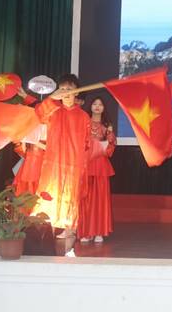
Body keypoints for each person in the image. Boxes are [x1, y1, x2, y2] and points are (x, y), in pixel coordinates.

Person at [32, 74, 90, 239]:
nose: (65, 92)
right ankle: (46, 229)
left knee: (69, 195)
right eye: (62, 88)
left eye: (69, 89)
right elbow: (38, 114)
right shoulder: (53, 111)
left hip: (73, 163)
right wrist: (51, 98)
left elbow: (87, 144)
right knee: (49, 192)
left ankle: (69, 229)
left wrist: (83, 164)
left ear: (77, 92)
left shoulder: (84, 117)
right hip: (53, 161)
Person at [78, 96, 116, 243]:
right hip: (86, 164)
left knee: (100, 199)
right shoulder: (84, 123)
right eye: (95, 104)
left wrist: (109, 136)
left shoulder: (107, 126)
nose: (97, 106)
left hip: (101, 165)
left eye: (100, 104)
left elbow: (110, 149)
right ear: (90, 106)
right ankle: (86, 231)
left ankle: (99, 231)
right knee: (85, 199)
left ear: (104, 108)